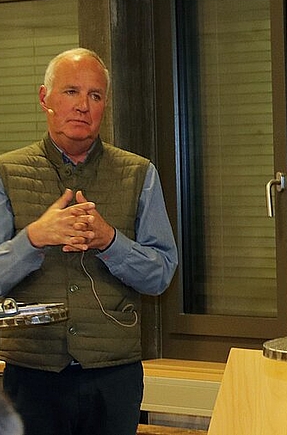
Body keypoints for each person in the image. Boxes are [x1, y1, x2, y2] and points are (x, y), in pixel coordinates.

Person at [0, 48, 178, 435]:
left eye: (95, 96)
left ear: (105, 105)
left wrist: (110, 241)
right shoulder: (7, 172)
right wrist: (33, 238)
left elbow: (161, 273)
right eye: (71, 92)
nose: (83, 106)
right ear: (44, 98)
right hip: (31, 376)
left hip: (113, 378)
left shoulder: (139, 173)